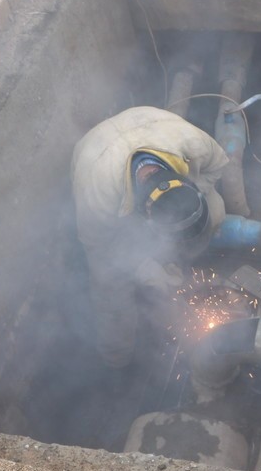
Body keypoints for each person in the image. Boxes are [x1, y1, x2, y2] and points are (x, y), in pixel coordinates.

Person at [71, 106, 228, 372]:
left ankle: (182, 259)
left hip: (147, 122)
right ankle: (116, 361)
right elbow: (100, 248)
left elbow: (218, 167)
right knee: (110, 287)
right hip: (98, 151)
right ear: (146, 220)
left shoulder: (197, 146)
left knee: (217, 212)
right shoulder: (97, 194)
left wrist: (195, 209)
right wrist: (146, 268)